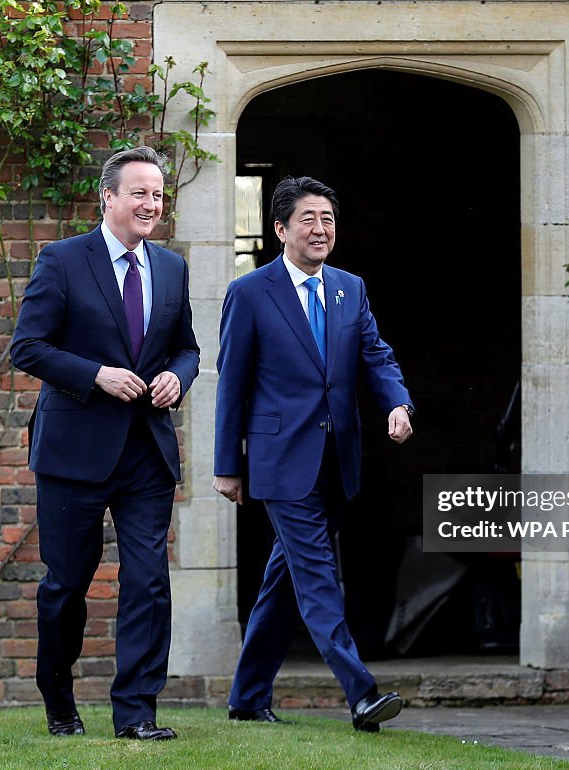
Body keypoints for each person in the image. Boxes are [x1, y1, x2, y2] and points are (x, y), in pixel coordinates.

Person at [213, 175, 415, 732]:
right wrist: (228, 465)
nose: (320, 229)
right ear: (280, 229)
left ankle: (248, 697)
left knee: (285, 580)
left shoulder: (351, 288)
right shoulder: (250, 293)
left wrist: (397, 405)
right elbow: (232, 381)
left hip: (337, 461)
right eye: (308, 219)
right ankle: (362, 693)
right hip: (280, 464)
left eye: (328, 219)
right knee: (321, 579)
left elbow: (377, 357)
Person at [10, 146, 198, 741]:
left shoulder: (171, 267)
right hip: (74, 454)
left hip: (147, 450)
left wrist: (178, 376)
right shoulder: (62, 261)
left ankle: (137, 714)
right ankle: (59, 699)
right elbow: (28, 347)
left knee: (148, 581)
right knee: (67, 585)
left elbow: (187, 347)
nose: (151, 204)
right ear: (108, 197)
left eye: (158, 194)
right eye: (139, 192)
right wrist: (95, 375)